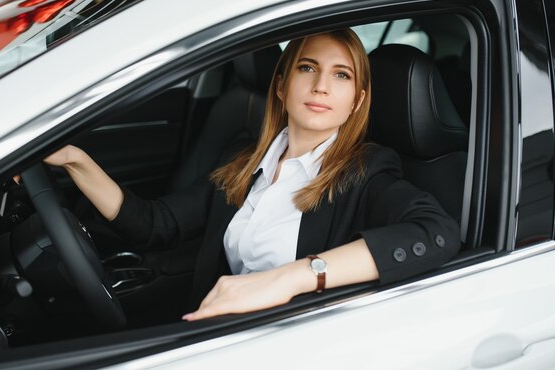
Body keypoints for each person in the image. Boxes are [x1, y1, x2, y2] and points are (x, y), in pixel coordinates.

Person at [44, 28, 460, 322]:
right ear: (281, 85)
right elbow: (156, 224)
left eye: (341, 75)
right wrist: (75, 161)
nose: (320, 86)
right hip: (216, 327)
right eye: (307, 68)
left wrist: (293, 278)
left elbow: (436, 232)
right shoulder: (244, 161)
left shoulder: (365, 170)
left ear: (356, 102)